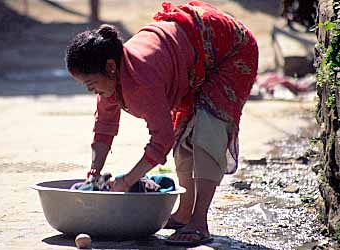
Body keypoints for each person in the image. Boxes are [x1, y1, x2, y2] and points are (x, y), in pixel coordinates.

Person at [65, 0, 258, 246]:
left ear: (111, 67)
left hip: (228, 49)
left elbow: (161, 140)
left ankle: (199, 222)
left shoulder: (142, 81)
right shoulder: (111, 81)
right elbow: (104, 127)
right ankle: (185, 213)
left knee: (207, 135)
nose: (89, 89)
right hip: (193, 49)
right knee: (183, 134)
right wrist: (94, 172)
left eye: (89, 82)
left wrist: (126, 181)